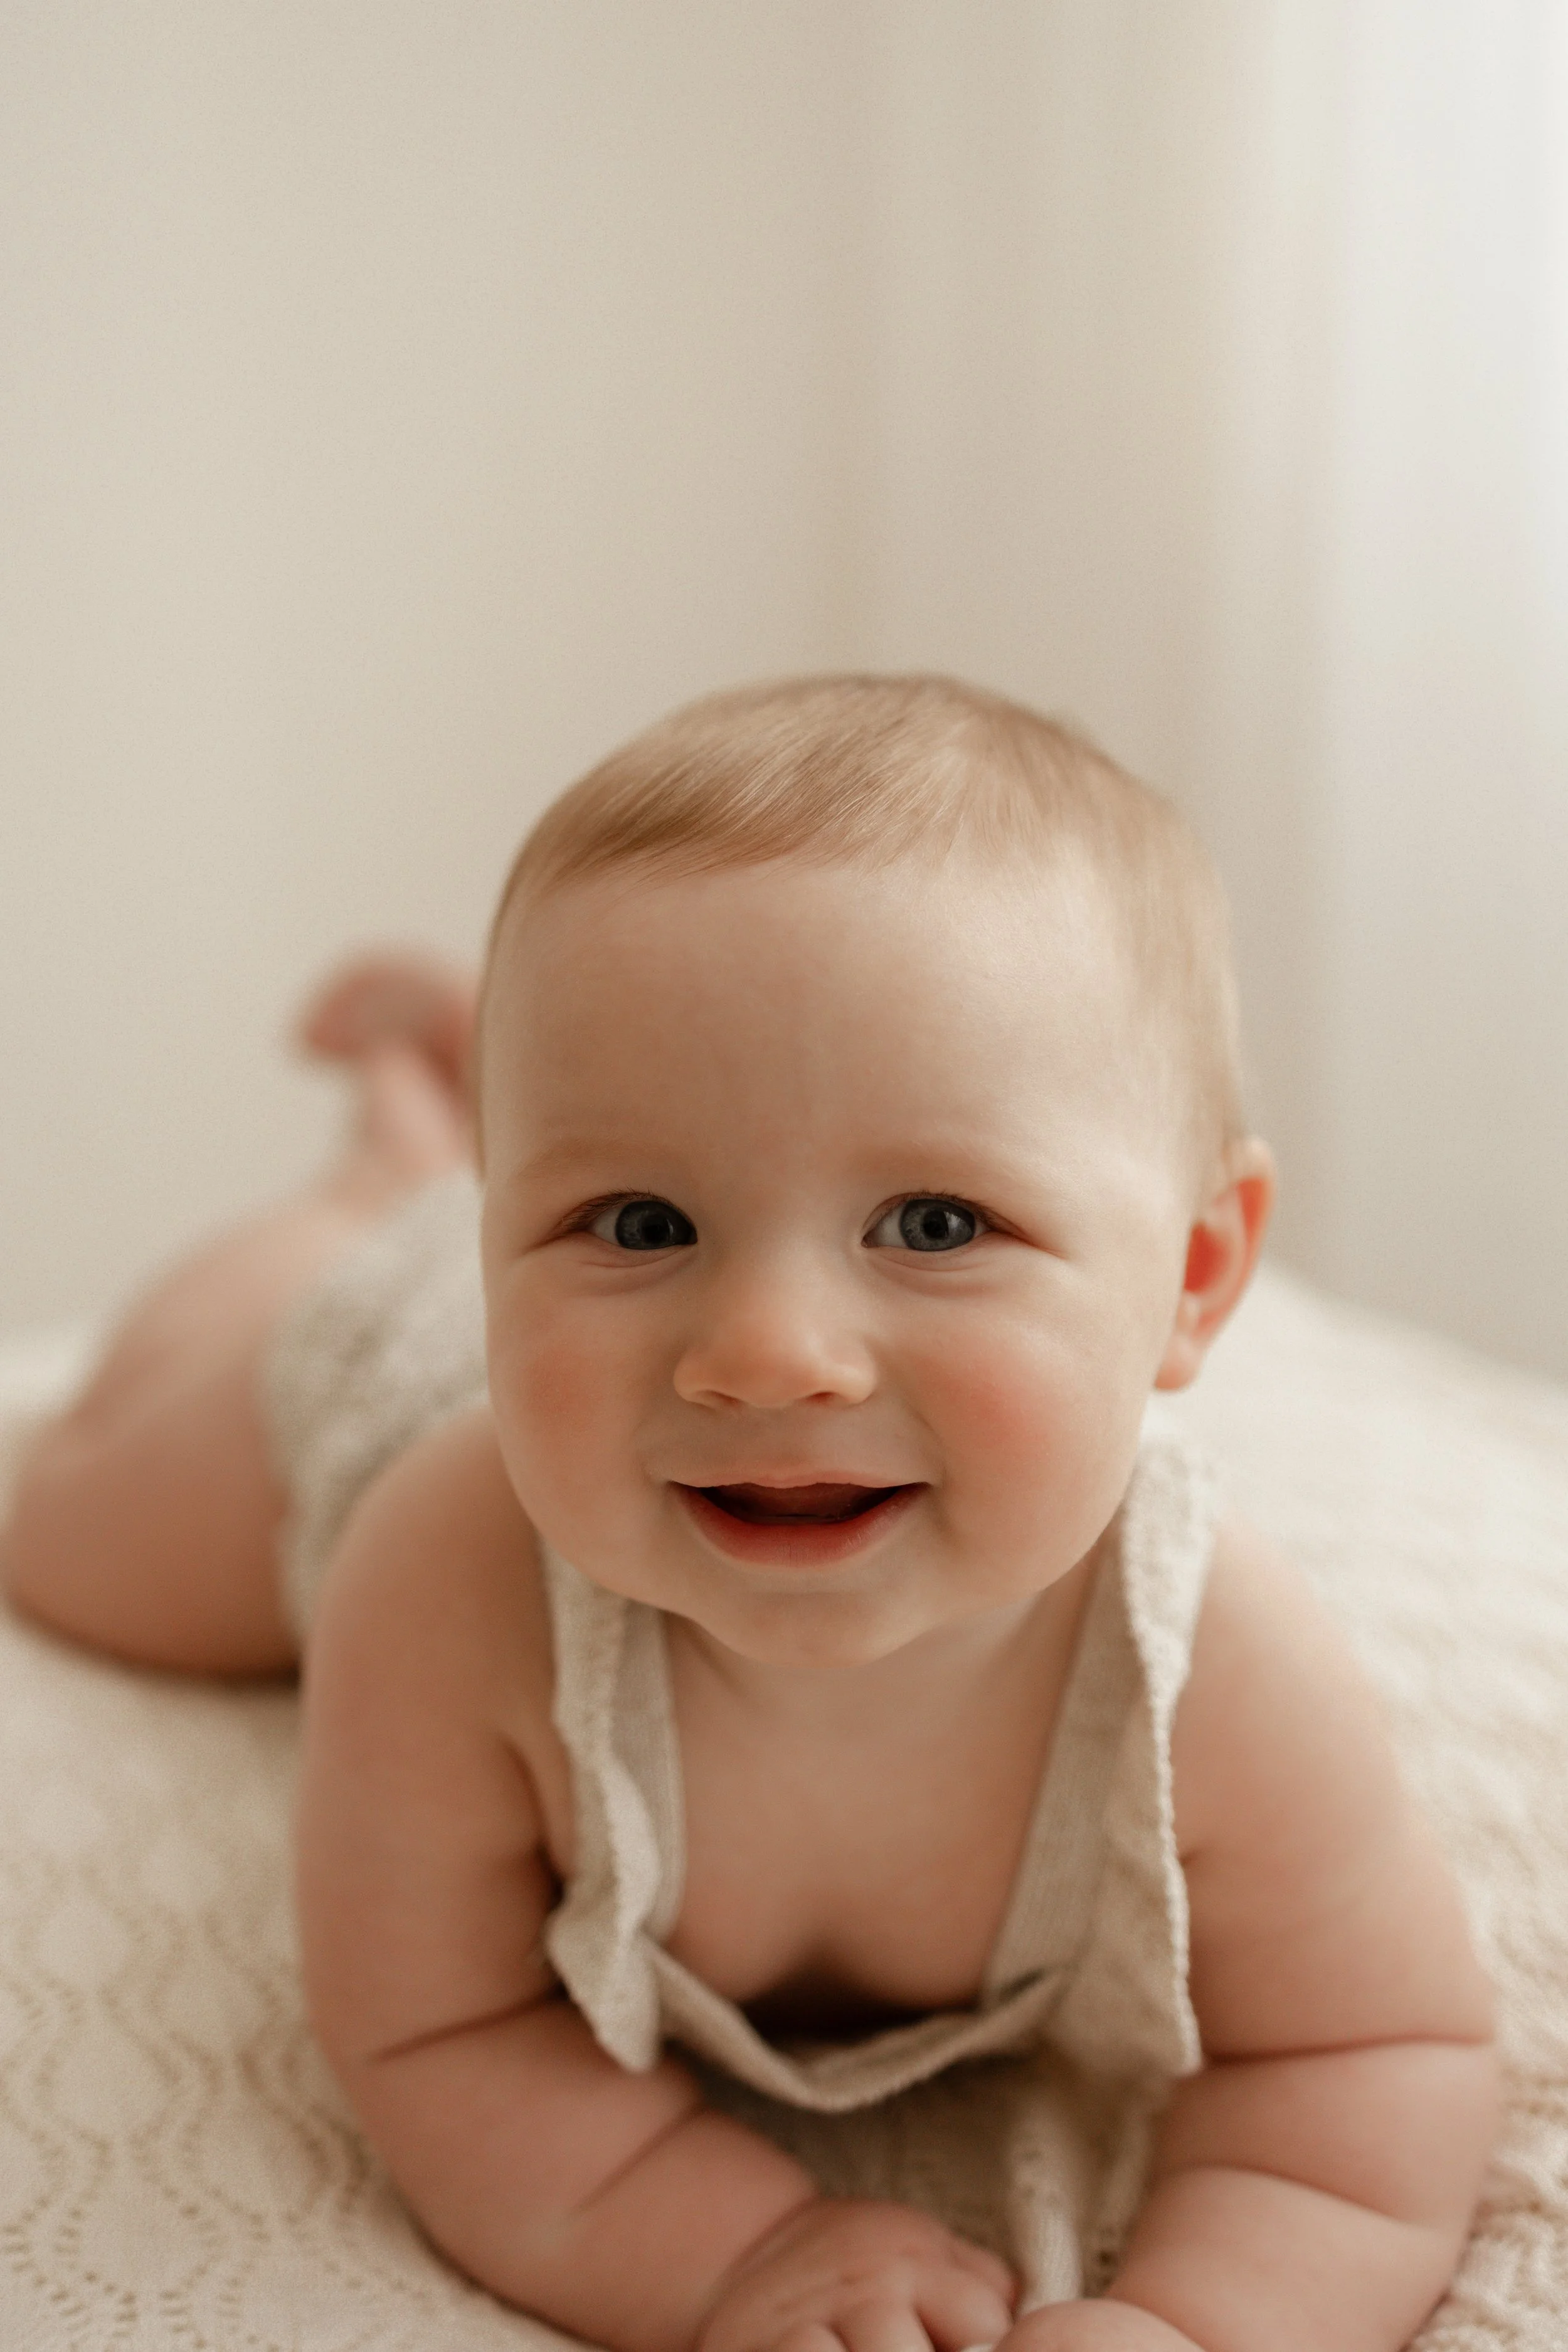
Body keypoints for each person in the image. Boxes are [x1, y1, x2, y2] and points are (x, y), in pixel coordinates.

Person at [0, 676, 1496, 2352]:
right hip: (376, 1362)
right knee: (61, 1526)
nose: (768, 1352)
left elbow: (1371, 2060)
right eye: (633, 1217)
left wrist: (1192, 2324)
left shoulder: (1209, 1663)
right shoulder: (447, 1580)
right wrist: (733, 2255)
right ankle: (383, 1178)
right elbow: (441, 2031)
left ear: (1195, 1276)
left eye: (934, 1220)